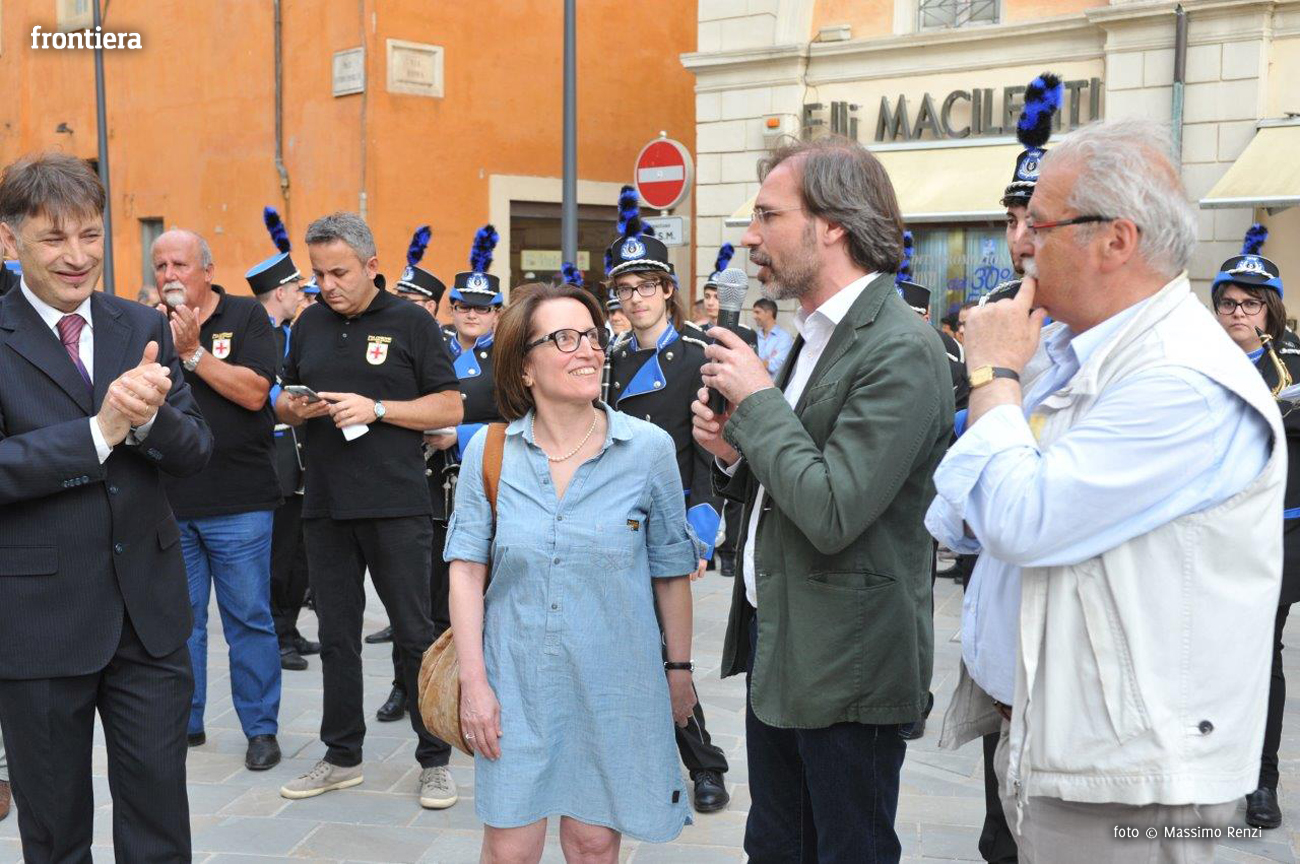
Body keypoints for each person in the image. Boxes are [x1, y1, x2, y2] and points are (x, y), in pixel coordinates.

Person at [927, 118, 1283, 864]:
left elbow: (1016, 519)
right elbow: (958, 516)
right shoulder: (1069, 346)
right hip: (1057, 744)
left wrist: (992, 372)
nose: (1020, 243)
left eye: (1039, 224)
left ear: (1115, 240)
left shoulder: (1181, 380)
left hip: (1132, 783)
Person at [690, 135, 953, 862]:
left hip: (848, 665)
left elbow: (835, 509)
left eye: (768, 215)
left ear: (832, 225)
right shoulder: (818, 333)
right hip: (783, 643)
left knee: (846, 850)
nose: (750, 236)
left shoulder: (899, 347)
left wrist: (758, 402)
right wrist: (735, 453)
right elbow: (800, 470)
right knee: (777, 846)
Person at [0, 152, 213, 861]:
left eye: (90, 235)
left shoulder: (137, 325)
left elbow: (194, 451)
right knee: (55, 832)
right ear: (9, 240)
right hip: (38, 624)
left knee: (160, 826)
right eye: (54, 238)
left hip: (148, 621)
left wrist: (150, 421)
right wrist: (101, 431)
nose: (77, 256)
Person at [446, 280, 700, 863]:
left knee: (592, 844)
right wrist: (474, 684)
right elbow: (466, 571)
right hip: (514, 682)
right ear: (524, 367)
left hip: (614, 681)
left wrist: (680, 670)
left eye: (591, 335)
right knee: (510, 849)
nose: (587, 350)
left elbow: (670, 570)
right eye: (564, 338)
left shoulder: (648, 449)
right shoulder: (489, 452)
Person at [275, 212, 464, 810]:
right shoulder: (308, 323)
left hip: (395, 504)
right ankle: (341, 756)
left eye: (339, 273)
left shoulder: (411, 321)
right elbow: (282, 399)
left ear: (371, 265)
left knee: (413, 633)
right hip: (325, 504)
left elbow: (450, 407)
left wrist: (377, 409)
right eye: (318, 274)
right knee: (336, 637)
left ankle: (434, 759)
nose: (327, 285)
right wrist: (293, 408)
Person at [603, 193, 731, 813]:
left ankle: (705, 764)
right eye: (625, 289)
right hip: (612, 521)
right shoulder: (609, 360)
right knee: (623, 649)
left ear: (668, 290)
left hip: (666, 523)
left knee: (666, 652)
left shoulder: (696, 358)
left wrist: (700, 534)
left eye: (647, 286)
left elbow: (707, 454)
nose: (636, 299)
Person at [151, 228, 284, 771]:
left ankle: (260, 729)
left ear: (207, 271)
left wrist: (193, 353)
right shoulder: (146, 325)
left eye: (179, 264)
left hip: (240, 501)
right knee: (180, 621)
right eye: (160, 266)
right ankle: (186, 723)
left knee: (248, 618)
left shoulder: (248, 316)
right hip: (170, 501)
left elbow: (255, 394)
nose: (169, 275)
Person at [1209, 224, 1300, 830]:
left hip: (1278, 532)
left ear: (1271, 309)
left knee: (1263, 655)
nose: (1238, 312)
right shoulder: (1198, 356)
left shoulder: (1294, 362)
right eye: (1228, 302)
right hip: (1210, 530)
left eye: (1251, 303)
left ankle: (1261, 781)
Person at [374, 225, 482, 729]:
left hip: (471, 489)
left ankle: (457, 686)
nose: (471, 315)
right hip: (418, 488)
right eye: (465, 307)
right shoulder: (422, 344)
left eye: (481, 308)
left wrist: (458, 435)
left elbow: (514, 419)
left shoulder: (502, 355)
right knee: (410, 604)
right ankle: (406, 685)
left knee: (455, 603)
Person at [250, 207, 320, 672]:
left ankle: (290, 627)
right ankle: (275, 635)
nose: (302, 296)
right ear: (280, 291)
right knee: (276, 556)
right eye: (297, 289)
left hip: (299, 458)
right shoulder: (254, 334)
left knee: (297, 552)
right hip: (272, 456)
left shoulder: (290, 333)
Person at [751, 297, 793, 376]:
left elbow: (775, 364)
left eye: (757, 312)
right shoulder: (755, 336)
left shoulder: (784, 337)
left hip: (772, 383)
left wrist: (751, 363)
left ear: (769, 313)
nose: (754, 316)